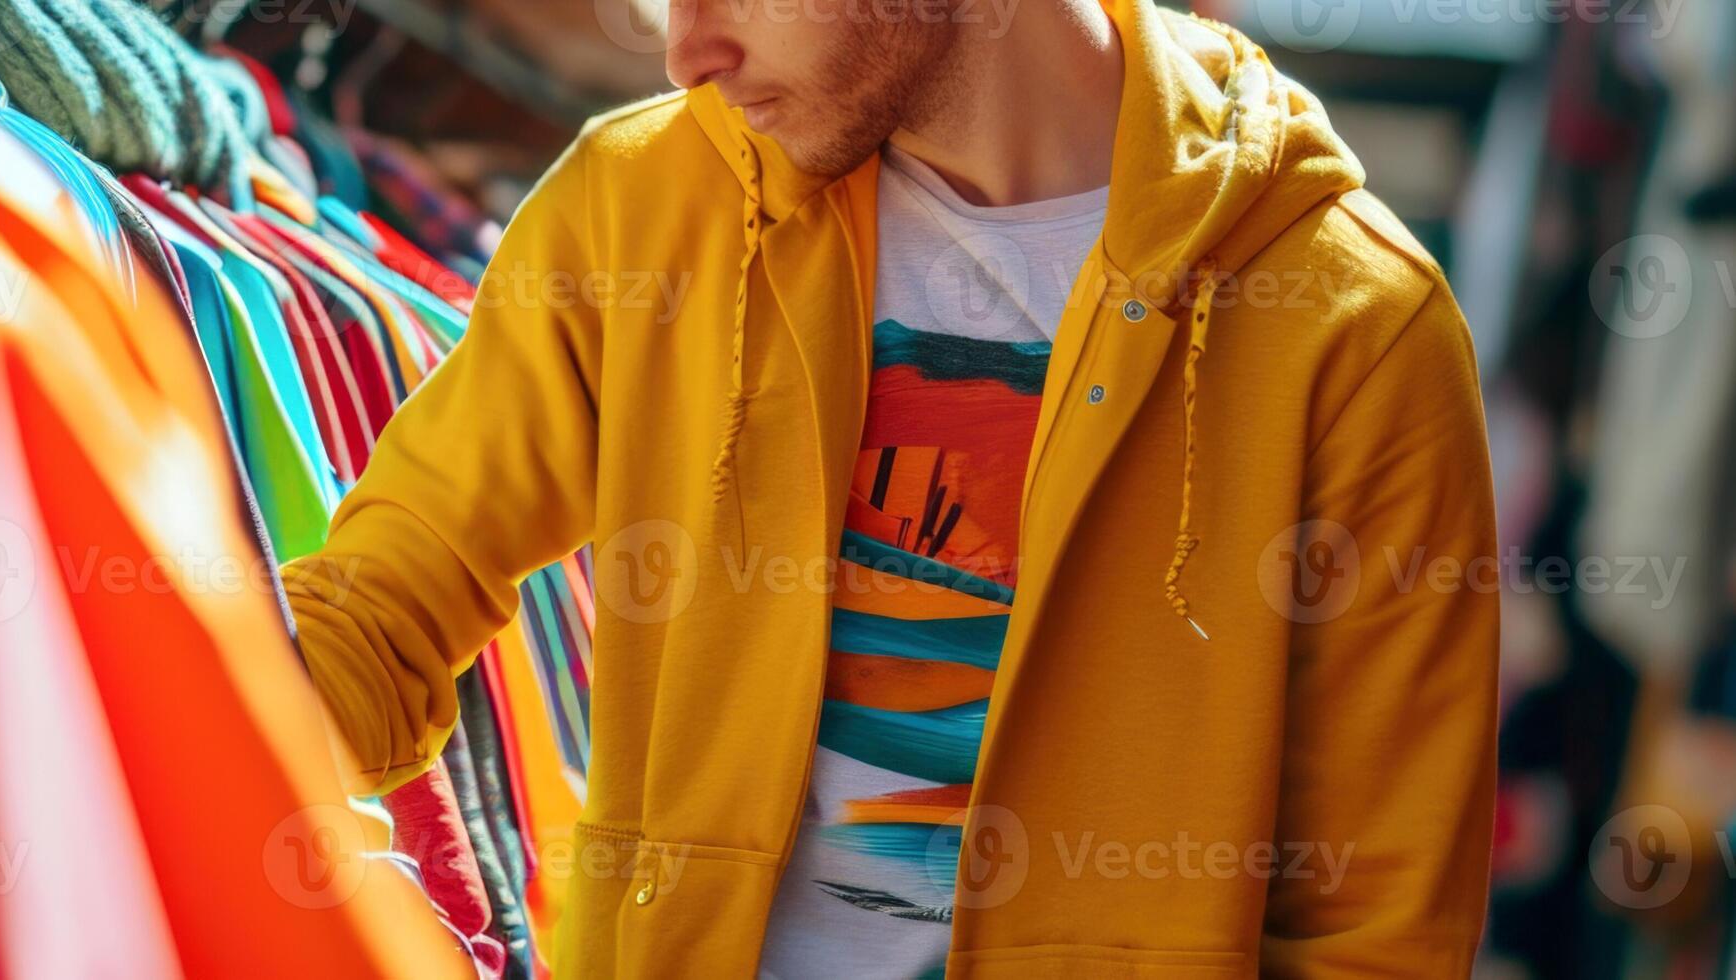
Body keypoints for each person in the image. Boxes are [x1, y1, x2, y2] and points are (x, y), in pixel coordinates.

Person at [277, 0, 1498, 974]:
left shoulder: (1353, 326)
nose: (684, 44)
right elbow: (383, 606)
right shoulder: (639, 206)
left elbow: (1371, 920)